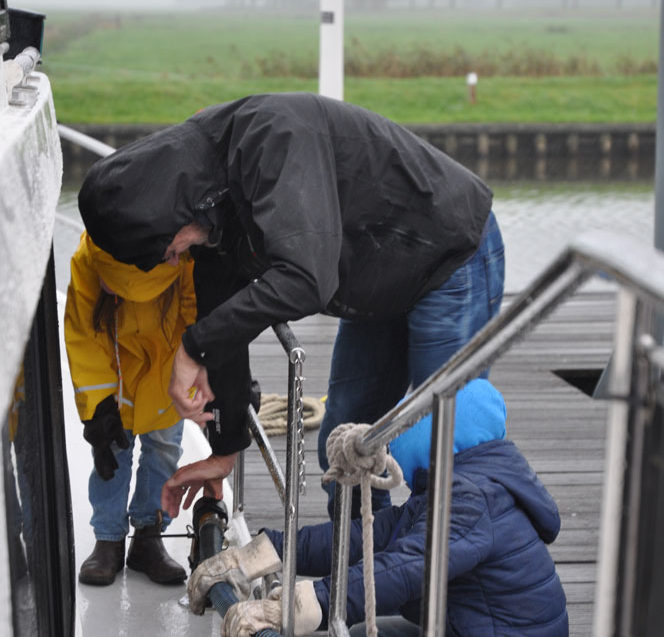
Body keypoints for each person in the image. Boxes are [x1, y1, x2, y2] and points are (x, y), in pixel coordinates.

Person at [76, 93, 504, 519]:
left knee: (440, 445)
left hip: (448, 254)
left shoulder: (273, 138)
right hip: (381, 275)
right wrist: (224, 449)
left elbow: (306, 279)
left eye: (165, 249)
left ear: (168, 212)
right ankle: (364, 558)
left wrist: (192, 347)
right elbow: (219, 320)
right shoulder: (208, 208)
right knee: (346, 445)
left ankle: (452, 559)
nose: (171, 261)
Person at [186, 379, 569, 637]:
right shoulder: (468, 484)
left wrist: (299, 605)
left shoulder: (469, 501)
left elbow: (401, 571)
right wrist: (262, 553)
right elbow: (363, 538)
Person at [64, 231, 196, 586]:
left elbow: (194, 313)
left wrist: (199, 368)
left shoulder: (184, 253)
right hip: (115, 376)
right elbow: (83, 333)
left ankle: (148, 536)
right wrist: (98, 407)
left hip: (167, 372)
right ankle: (108, 538)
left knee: (164, 452)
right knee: (112, 452)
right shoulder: (89, 257)